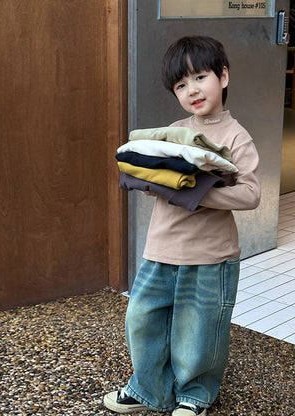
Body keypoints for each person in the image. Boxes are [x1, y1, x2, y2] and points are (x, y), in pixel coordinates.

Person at [103, 36, 261, 416]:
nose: (192, 90)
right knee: (142, 318)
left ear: (222, 77)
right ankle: (149, 389)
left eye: (200, 77)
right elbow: (152, 175)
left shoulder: (237, 137)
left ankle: (195, 395)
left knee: (200, 329)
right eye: (180, 85)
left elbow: (251, 195)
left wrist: (193, 192)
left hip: (211, 255)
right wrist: (155, 182)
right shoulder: (174, 132)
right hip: (161, 248)